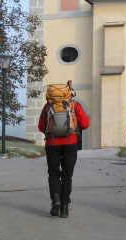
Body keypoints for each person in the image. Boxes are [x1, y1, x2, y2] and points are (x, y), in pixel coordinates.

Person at [38, 82, 89, 218]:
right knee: (67, 175)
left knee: (54, 173)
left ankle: (55, 199)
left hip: (52, 143)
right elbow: (85, 124)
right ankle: (65, 207)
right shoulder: (75, 105)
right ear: (68, 93)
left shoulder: (47, 107)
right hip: (70, 143)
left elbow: (41, 127)